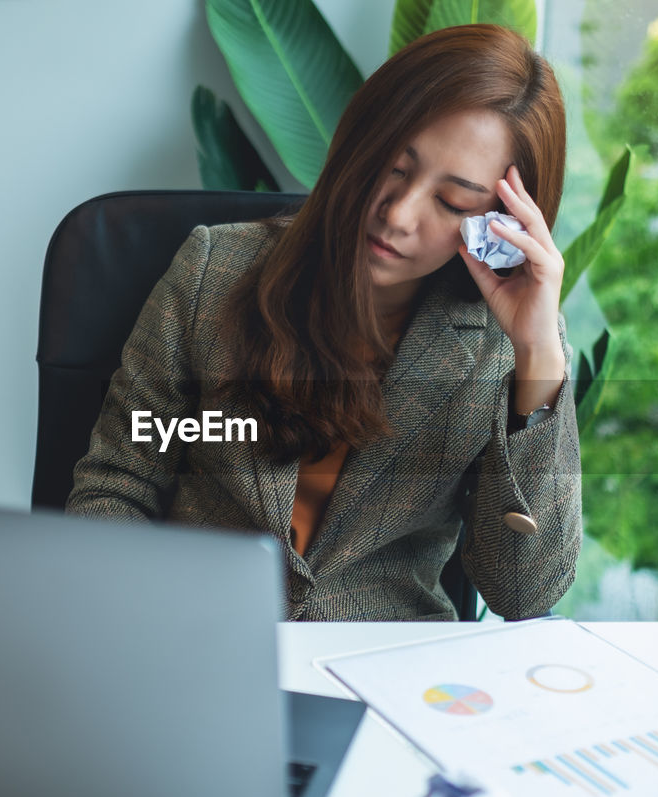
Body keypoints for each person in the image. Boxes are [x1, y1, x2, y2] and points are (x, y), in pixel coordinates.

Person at [66, 23, 581, 622]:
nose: (398, 214)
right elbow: (118, 484)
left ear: (499, 223)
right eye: (394, 166)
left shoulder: (506, 347)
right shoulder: (215, 271)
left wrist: (538, 357)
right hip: (197, 637)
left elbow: (525, 592)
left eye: (453, 203)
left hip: (386, 673)